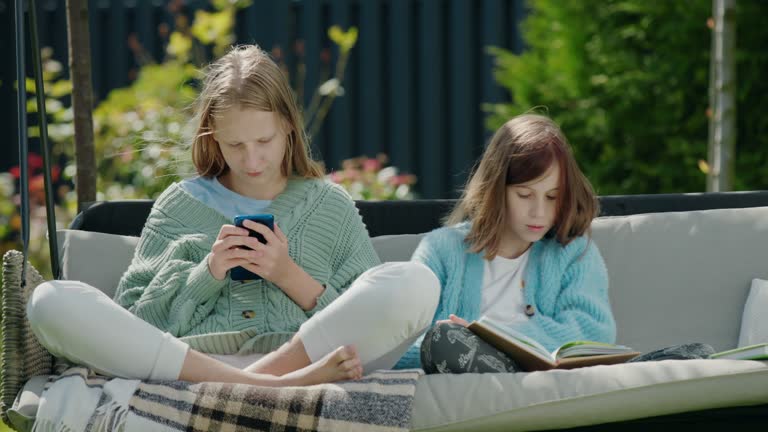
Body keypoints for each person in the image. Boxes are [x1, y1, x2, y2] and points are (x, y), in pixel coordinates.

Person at [27, 45, 440, 386]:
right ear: (213, 137)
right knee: (49, 301)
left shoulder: (328, 204)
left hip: (304, 357)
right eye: (234, 144)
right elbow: (137, 321)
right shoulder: (177, 204)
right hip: (192, 366)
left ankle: (259, 379)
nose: (252, 159)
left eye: (264, 140)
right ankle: (267, 387)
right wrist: (208, 272)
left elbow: (366, 312)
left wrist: (287, 273)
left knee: (415, 281)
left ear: (289, 129)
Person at [395, 113, 616, 373]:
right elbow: (399, 345)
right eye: (524, 195)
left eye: (553, 197)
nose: (539, 212)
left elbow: (595, 332)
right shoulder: (441, 249)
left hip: (544, 383)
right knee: (445, 341)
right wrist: (462, 342)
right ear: (496, 189)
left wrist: (496, 337)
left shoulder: (573, 251)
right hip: (463, 379)